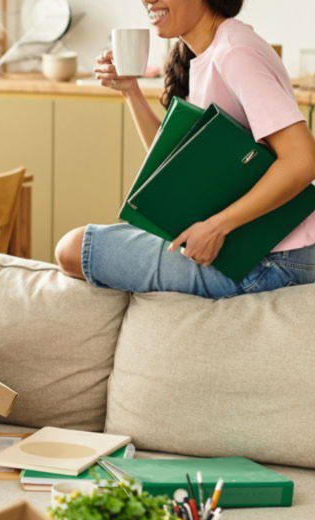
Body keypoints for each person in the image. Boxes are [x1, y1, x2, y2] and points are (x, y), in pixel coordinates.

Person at [54, 0, 315, 298]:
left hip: (275, 260)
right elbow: (171, 162)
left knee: (75, 248)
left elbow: (302, 160)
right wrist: (130, 90)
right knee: (77, 246)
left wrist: (216, 227)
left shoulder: (235, 52)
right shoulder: (206, 51)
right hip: (254, 248)